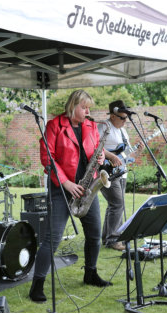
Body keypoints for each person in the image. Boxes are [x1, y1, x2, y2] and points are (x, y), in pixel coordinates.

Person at [29, 90, 112, 303]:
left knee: (94, 234)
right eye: (84, 107)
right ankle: (37, 284)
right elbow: (47, 158)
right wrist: (66, 183)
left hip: (87, 187)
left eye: (89, 108)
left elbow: (94, 151)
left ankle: (90, 273)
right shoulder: (54, 126)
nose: (88, 111)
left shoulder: (91, 126)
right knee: (53, 239)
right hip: (61, 188)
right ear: (73, 105)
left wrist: (101, 155)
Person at [98, 100, 144, 251]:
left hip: (121, 172)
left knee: (115, 205)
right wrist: (111, 156)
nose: (125, 121)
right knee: (118, 204)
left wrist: (137, 153)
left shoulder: (123, 131)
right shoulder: (104, 127)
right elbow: (94, 147)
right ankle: (113, 239)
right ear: (112, 115)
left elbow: (125, 155)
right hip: (106, 172)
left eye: (126, 118)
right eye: (122, 118)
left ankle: (108, 237)